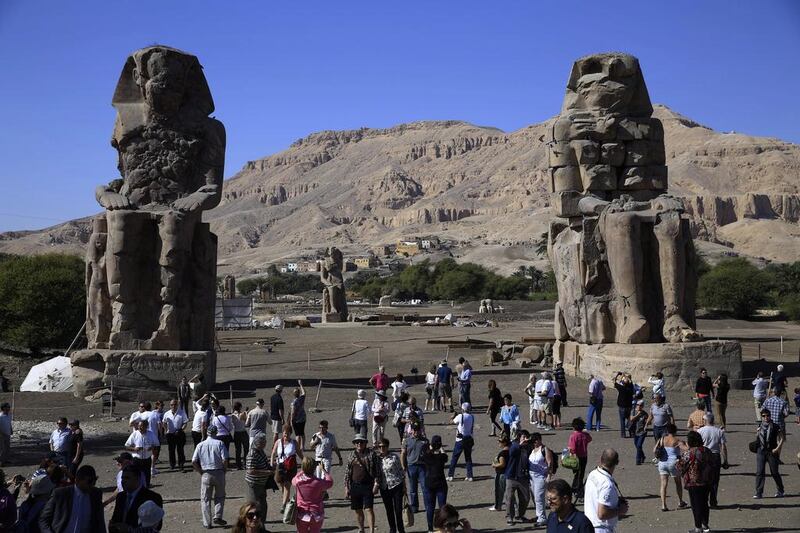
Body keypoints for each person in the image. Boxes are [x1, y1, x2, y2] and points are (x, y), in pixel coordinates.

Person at [38, 465, 106, 533]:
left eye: (94, 482)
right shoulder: (60, 494)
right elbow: (44, 519)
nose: (92, 485)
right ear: (77, 480)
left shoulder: (96, 494)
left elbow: (100, 522)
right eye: (89, 482)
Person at [192, 424, 229, 528]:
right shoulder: (220, 443)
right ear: (216, 432)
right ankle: (218, 515)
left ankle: (207, 522)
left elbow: (194, 461)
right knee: (220, 496)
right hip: (219, 472)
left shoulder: (200, 445)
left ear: (207, 432)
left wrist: (200, 472)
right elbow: (225, 459)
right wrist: (224, 470)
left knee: (205, 499)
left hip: (206, 473)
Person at [583, 449, 628, 533]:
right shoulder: (607, 484)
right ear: (617, 462)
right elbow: (602, 514)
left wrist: (614, 500)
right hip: (600, 528)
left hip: (588, 525)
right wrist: (620, 510)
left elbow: (595, 496)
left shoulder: (592, 473)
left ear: (600, 459)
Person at [678, 430, 714, 533]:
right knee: (704, 504)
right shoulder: (706, 450)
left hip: (693, 482)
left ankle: (698, 527)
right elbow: (713, 463)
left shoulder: (689, 452)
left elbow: (680, 466)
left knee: (696, 505)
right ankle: (705, 525)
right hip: (706, 481)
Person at [345, 434, 382, 533]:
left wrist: (376, 484)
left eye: (361, 442)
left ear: (365, 443)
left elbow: (378, 470)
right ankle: (361, 529)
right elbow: (347, 472)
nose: (359, 444)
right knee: (357, 509)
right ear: (354, 444)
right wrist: (346, 487)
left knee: (369, 508)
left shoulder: (372, 454)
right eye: (357, 442)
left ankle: (371, 531)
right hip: (355, 485)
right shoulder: (351, 455)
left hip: (368, 485)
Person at [108, 465, 163, 531]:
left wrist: (129, 530)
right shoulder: (121, 496)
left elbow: (157, 526)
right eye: (122, 478)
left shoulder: (152, 497)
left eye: (127, 478)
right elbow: (115, 520)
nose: (123, 481)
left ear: (137, 479)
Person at [293, 456, 334, 533]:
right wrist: (324, 470)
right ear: (314, 468)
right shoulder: (318, 483)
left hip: (301, 514)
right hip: (317, 514)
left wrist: (302, 470)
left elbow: (294, 479)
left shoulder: (298, 481)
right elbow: (330, 482)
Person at [654, 423, 687, 511]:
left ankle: (663, 505)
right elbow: (686, 449)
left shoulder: (662, 439)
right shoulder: (677, 440)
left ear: (667, 431)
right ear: (675, 431)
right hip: (674, 463)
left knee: (663, 484)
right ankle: (680, 501)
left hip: (662, 463)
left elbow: (654, 450)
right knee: (678, 483)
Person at [697, 413, 727, 507]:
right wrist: (725, 460)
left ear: (705, 421)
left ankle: (704, 500)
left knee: (703, 479)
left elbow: (697, 446)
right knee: (714, 480)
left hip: (703, 456)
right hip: (715, 456)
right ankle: (713, 501)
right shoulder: (719, 431)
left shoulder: (700, 431)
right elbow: (723, 446)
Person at [753, 408, 785, 498]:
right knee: (760, 472)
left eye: (767, 416)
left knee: (774, 472)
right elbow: (758, 438)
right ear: (762, 417)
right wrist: (757, 433)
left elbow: (782, 438)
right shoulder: (760, 426)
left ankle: (780, 490)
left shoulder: (775, 426)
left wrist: (777, 449)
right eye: (764, 416)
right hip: (761, 451)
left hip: (772, 451)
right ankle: (759, 492)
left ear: (770, 416)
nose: (766, 418)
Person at [271, 424, 302, 514]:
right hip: (280, 466)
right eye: (285, 433)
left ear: (290, 433)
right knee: (281, 484)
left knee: (287, 485)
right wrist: (271, 462)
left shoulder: (294, 442)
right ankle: (287, 500)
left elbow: (299, 453)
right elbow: (273, 453)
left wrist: (305, 461)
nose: (286, 435)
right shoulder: (278, 442)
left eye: (288, 433)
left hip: (290, 467)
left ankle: (283, 505)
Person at [377, 438, 406, 533]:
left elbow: (401, 472)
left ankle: (401, 529)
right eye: (380, 446)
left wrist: (404, 486)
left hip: (396, 485)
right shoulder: (376, 459)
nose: (382, 448)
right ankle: (392, 529)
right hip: (384, 488)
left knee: (398, 510)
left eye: (384, 446)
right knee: (389, 510)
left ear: (387, 447)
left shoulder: (394, 457)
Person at [422, 435, 449, 532]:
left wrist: (430, 448)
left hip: (429, 484)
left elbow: (424, 455)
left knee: (430, 507)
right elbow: (446, 457)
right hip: (441, 484)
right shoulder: (442, 457)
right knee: (442, 508)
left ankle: (430, 528)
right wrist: (441, 449)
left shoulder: (427, 456)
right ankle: (442, 527)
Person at [243, 434, 273, 522]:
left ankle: (261, 525)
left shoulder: (260, 451)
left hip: (262, 484)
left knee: (263, 505)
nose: (265, 443)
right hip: (254, 484)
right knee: (253, 506)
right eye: (263, 442)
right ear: (258, 443)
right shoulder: (252, 454)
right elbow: (250, 470)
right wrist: (266, 472)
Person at [528, 432, 555, 527]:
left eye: (535, 441)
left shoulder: (544, 449)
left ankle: (542, 518)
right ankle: (539, 515)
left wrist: (548, 476)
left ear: (539, 440)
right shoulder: (532, 449)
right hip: (531, 477)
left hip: (540, 477)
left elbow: (550, 463)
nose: (534, 443)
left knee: (539, 497)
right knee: (534, 497)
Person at [401, 423, 428, 515]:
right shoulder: (407, 441)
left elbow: (429, 453)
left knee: (425, 487)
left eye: (418, 430)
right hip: (411, 466)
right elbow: (403, 454)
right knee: (412, 488)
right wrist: (403, 466)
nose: (416, 432)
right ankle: (414, 506)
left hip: (422, 467)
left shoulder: (425, 441)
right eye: (414, 430)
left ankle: (427, 505)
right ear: (411, 430)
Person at [446, 403, 475, 482]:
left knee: (454, 458)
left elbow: (452, 422)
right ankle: (470, 476)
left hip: (460, 440)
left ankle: (450, 475)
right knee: (468, 458)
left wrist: (453, 416)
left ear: (462, 409)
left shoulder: (460, 416)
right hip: (469, 438)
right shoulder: (472, 417)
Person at [125, 420, 156, 488]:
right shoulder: (134, 434)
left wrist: (151, 447)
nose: (139, 427)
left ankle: (146, 491)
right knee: (136, 477)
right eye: (138, 426)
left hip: (147, 459)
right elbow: (126, 446)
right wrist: (134, 449)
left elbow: (156, 445)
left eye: (141, 426)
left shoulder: (151, 434)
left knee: (147, 477)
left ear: (146, 427)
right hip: (136, 460)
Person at [567, 418, 592, 499]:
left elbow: (573, 448)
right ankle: (577, 489)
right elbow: (590, 439)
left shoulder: (573, 436)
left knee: (577, 474)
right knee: (581, 474)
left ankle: (577, 490)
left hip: (576, 457)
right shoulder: (584, 435)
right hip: (584, 456)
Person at [162, 399, 188, 471]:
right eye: (171, 405)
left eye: (175, 404)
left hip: (179, 434)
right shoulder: (167, 413)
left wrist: (181, 430)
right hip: (170, 435)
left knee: (180, 450)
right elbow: (164, 422)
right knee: (171, 450)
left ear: (177, 405)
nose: (173, 406)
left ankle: (181, 465)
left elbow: (185, 423)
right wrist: (166, 430)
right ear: (170, 405)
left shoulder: (182, 413)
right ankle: (172, 464)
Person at [489, 435, 510, 512]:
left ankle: (498, 506)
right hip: (509, 474)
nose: (499, 443)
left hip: (501, 474)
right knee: (509, 491)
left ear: (504, 443)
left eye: (500, 442)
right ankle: (513, 505)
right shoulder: (511, 450)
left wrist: (494, 465)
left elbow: (502, 464)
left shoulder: (502, 453)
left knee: (499, 491)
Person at [613, 373, 634, 438]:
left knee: (622, 421)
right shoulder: (630, 388)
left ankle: (623, 434)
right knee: (629, 420)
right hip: (629, 406)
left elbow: (614, 381)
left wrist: (617, 375)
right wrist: (629, 379)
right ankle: (631, 433)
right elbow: (631, 383)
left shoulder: (621, 388)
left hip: (622, 407)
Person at [628, 401, 648, 465]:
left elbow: (648, 422)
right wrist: (638, 415)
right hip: (635, 432)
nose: (639, 406)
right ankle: (643, 456)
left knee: (639, 445)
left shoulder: (645, 414)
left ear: (642, 406)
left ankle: (638, 460)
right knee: (637, 445)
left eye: (640, 405)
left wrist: (647, 423)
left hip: (642, 432)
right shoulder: (633, 411)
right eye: (638, 405)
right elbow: (631, 419)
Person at [290, 380, 307, 451]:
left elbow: (293, 412)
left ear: (293, 394)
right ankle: (302, 447)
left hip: (296, 419)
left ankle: (297, 447)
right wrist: (301, 384)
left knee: (297, 434)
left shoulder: (294, 402)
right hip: (303, 418)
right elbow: (304, 392)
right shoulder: (301, 398)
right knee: (302, 433)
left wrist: (291, 419)